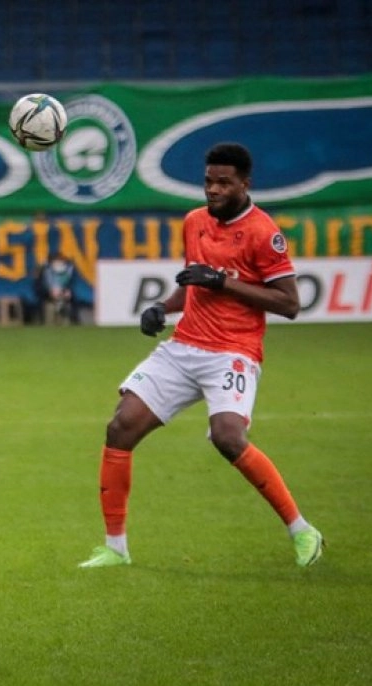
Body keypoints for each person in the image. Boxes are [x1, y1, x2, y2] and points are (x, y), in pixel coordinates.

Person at [79, 142, 324, 570]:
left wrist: (222, 282)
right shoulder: (195, 221)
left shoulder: (264, 233)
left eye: (223, 183)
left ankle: (302, 530)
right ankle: (115, 549)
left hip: (233, 351)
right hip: (184, 346)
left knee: (228, 438)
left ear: (245, 184)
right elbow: (195, 284)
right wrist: (163, 307)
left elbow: (289, 304)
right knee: (120, 426)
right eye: (209, 181)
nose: (213, 189)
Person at [37, 252, 76, 324]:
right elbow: (39, 288)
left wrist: (69, 292)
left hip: (65, 302)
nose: (59, 263)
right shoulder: (45, 272)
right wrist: (49, 292)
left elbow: (74, 286)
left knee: (66, 320)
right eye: (56, 261)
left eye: (61, 261)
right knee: (49, 315)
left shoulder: (70, 272)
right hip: (49, 301)